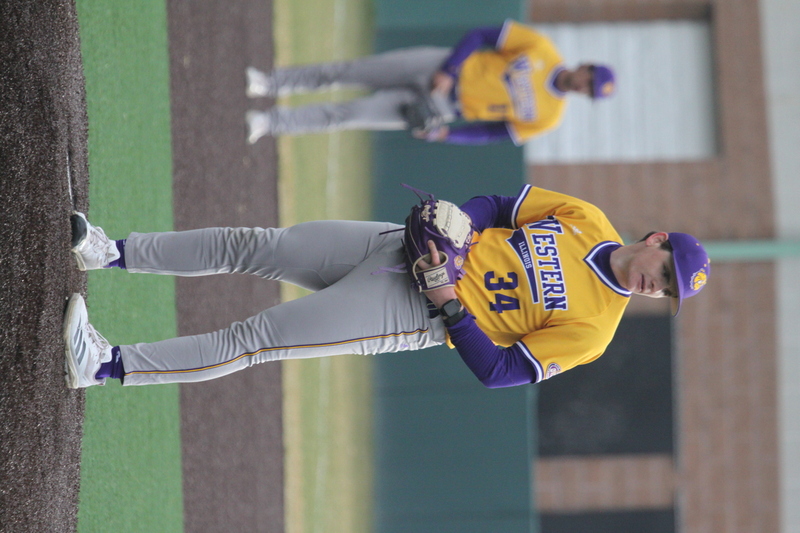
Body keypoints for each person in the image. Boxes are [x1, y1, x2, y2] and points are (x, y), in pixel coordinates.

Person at [63, 184, 708, 389]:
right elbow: (497, 204)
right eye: (668, 274)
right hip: (394, 245)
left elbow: (501, 372)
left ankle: (104, 367)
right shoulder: (587, 220)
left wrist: (451, 302)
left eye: (669, 293)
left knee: (256, 337)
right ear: (656, 240)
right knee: (255, 245)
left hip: (411, 310)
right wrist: (458, 231)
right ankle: (110, 252)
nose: (660, 289)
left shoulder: (595, 330)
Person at [245, 19, 616, 145]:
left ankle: (270, 122)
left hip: (444, 108)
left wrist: (445, 135)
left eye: (590, 91)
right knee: (348, 71)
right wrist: (451, 68)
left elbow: (492, 134)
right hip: (436, 66)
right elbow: (482, 34)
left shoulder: (549, 117)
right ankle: (270, 83)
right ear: (586, 66)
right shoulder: (541, 48)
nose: (584, 86)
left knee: (349, 114)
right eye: (591, 78)